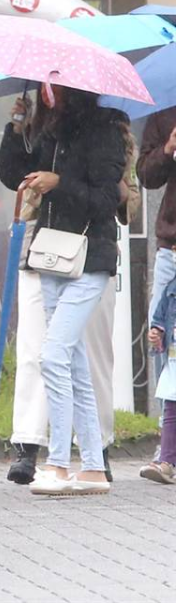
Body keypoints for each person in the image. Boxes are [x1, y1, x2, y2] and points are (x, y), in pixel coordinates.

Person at [0, 84, 125, 497]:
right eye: (43, 89)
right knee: (71, 361)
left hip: (90, 257)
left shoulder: (107, 130)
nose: (48, 95)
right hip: (50, 255)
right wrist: (15, 128)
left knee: (53, 355)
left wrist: (60, 181)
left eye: (55, 88)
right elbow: (16, 175)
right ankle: (90, 467)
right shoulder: (50, 130)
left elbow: (108, 200)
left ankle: (56, 462)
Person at [136, 106, 176, 466]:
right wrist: (168, 149)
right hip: (171, 249)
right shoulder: (164, 113)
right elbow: (145, 176)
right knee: (161, 338)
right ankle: (168, 444)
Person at [144, 281, 176, 484]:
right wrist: (157, 333)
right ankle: (166, 462)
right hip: (174, 358)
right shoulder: (171, 288)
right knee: (171, 412)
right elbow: (159, 319)